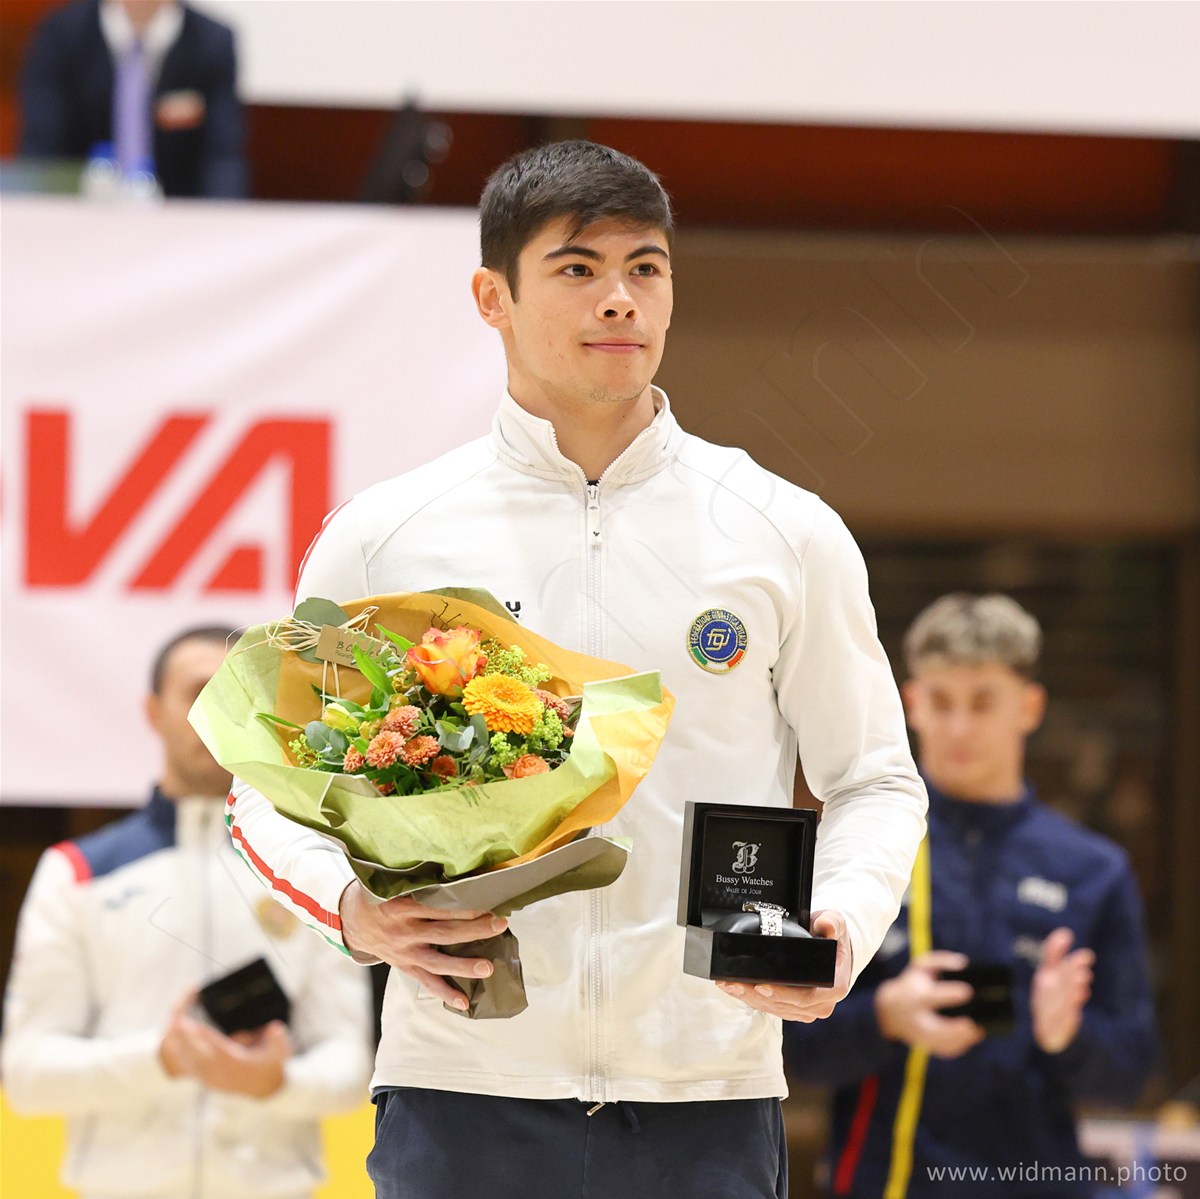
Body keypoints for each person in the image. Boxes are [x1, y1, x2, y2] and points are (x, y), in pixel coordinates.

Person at [226, 140, 928, 1199]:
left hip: (709, 1092)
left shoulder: (784, 531)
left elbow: (874, 777)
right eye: (577, 268)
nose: (619, 299)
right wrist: (350, 909)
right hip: (462, 1088)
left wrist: (842, 920)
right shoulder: (386, 536)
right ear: (492, 297)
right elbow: (263, 790)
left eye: (646, 268)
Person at [786, 593, 1157, 1197]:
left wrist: (1067, 1036)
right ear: (910, 703)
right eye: (941, 701)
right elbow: (793, 1052)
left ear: (1029, 706)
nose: (959, 728)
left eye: (983, 702)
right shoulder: (861, 850)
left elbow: (1131, 1075)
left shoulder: (1094, 870)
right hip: (884, 1183)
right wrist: (885, 1016)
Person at [2, 626, 373, 1199]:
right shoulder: (76, 872)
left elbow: (350, 1066)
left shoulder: (319, 871)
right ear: (154, 713)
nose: (218, 710)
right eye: (199, 691)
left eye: (238, 693)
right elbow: (27, 1075)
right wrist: (160, 1060)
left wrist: (275, 1083)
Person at [19, 0, 246, 198]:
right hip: (79, 209)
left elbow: (222, 156)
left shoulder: (211, 41)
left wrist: (219, 219)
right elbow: (42, 149)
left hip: (178, 213)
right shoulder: (62, 35)